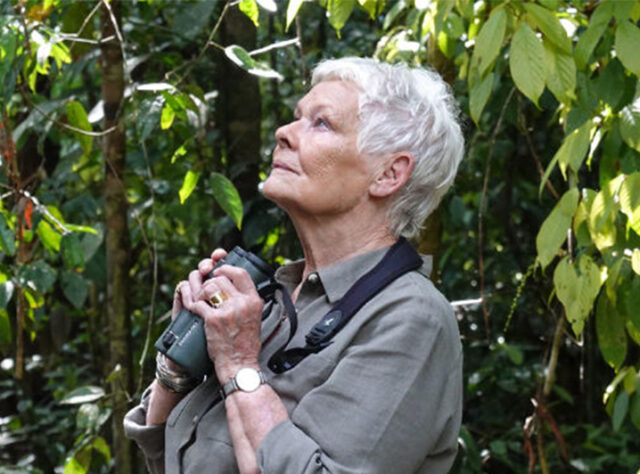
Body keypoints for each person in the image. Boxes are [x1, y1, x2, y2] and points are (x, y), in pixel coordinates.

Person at [124, 56, 465, 473]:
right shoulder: (269, 301)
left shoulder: (411, 319)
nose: (283, 133)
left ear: (388, 174)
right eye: (295, 118)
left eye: (321, 123)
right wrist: (181, 363)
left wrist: (238, 365)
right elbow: (165, 459)